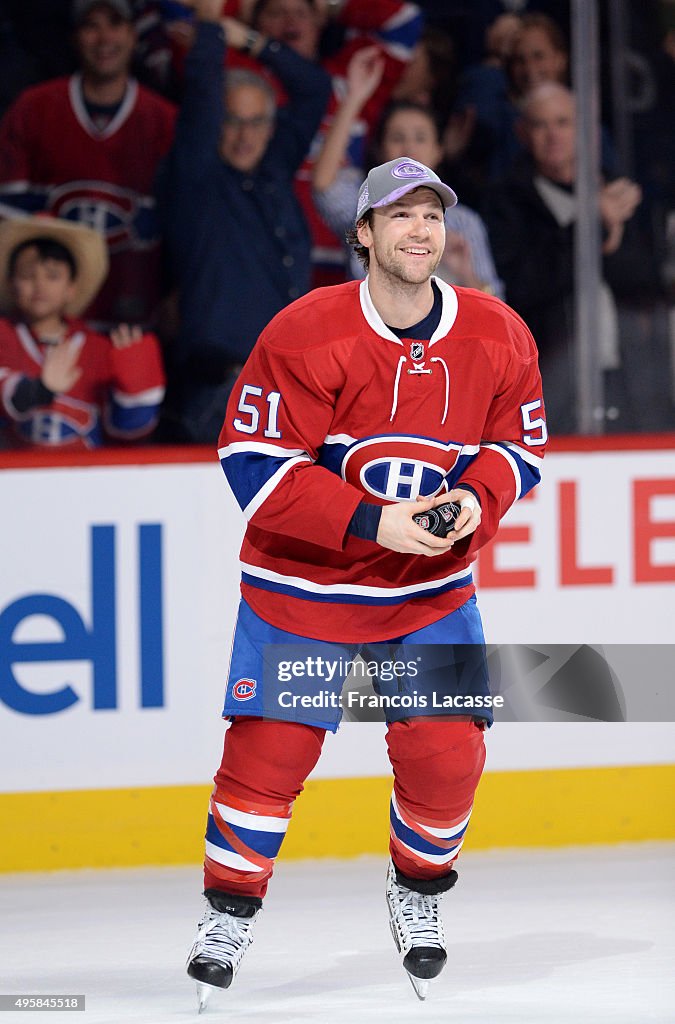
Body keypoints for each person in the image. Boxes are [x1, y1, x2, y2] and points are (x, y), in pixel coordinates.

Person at [185, 157, 547, 1010]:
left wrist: (474, 497)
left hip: (427, 598)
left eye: (431, 216)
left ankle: (417, 895)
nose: (419, 231)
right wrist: (373, 522)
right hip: (301, 592)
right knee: (268, 754)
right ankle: (228, 915)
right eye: (399, 216)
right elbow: (254, 462)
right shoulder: (305, 331)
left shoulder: (497, 332)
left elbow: (519, 448)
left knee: (447, 755)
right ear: (363, 234)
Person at [158, 0, 331, 444]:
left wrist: (249, 40)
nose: (244, 134)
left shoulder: (274, 169)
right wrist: (212, 29)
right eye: (232, 121)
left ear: (271, 127)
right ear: (217, 125)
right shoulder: (198, 180)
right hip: (221, 393)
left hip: (291, 394)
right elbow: (200, 95)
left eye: (256, 122)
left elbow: (314, 87)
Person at [483, 82, 669, 433]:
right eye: (541, 125)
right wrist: (592, 226)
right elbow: (522, 286)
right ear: (521, 133)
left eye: (563, 122)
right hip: (551, 376)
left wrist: (607, 232)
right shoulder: (506, 201)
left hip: (633, 377)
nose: (553, 135)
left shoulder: (621, 193)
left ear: (586, 130)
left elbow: (648, 283)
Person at [0, 0, 176, 328]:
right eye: (91, 25)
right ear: (75, 36)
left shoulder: (165, 121)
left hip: (133, 318)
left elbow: (187, 228)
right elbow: (7, 218)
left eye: (114, 23)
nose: (104, 37)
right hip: (45, 322)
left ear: (133, 33)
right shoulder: (32, 109)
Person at [311, 55, 503, 296]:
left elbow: (496, 312)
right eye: (397, 138)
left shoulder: (464, 223)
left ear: (438, 151)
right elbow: (324, 186)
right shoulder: (365, 211)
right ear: (380, 150)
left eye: (420, 138)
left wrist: (464, 273)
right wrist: (354, 99)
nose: (409, 149)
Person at [0, 215, 165, 448]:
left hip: (84, 479)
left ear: (71, 288)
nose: (40, 285)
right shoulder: (4, 336)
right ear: (11, 283)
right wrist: (38, 390)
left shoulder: (99, 348)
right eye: (28, 276)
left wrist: (139, 394)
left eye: (53, 276)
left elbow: (127, 435)